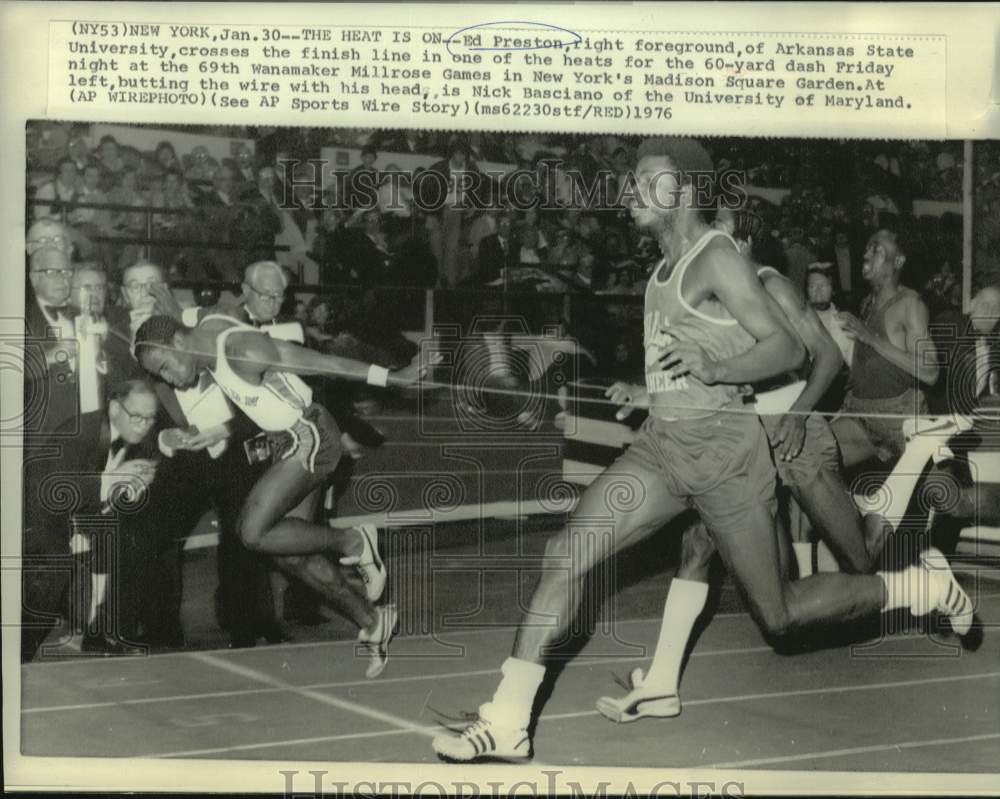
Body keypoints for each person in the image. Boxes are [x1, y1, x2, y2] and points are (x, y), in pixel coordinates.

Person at [430, 138, 975, 762]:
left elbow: (789, 351)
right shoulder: (660, 273)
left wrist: (716, 373)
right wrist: (651, 387)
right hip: (664, 449)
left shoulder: (716, 256)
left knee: (782, 616)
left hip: (727, 459)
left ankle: (920, 591)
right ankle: (509, 719)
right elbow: (688, 359)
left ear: (683, 193)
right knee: (568, 551)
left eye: (646, 182)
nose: (632, 192)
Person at [133, 307, 424, 675]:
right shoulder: (201, 335)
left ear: (178, 342)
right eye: (161, 374)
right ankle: (372, 621)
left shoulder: (242, 350)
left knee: (251, 531)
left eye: (166, 367)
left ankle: (355, 541)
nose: (171, 379)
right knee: (289, 552)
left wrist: (393, 377)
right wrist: (221, 429)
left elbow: (321, 362)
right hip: (283, 444)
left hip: (311, 434)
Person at [832, 228, 940, 469]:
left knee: (942, 495)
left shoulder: (910, 304)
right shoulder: (867, 303)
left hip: (900, 417)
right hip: (860, 411)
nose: (866, 255)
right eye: (867, 249)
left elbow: (931, 372)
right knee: (814, 460)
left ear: (898, 261)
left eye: (877, 250)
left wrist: (870, 338)